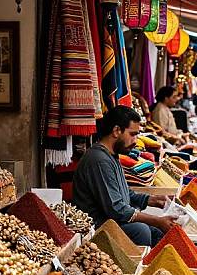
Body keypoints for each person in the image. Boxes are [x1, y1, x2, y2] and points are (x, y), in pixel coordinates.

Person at [73, 106, 176, 247]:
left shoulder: (111, 155)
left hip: (114, 222)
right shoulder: (98, 160)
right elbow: (115, 208)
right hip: (98, 228)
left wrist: (154, 200)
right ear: (116, 131)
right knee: (141, 230)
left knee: (157, 231)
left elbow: (126, 193)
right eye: (132, 134)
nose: (135, 140)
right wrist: (156, 220)